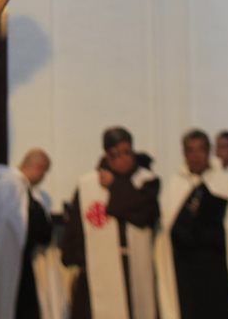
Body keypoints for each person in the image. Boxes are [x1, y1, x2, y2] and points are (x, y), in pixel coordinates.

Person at [155, 130, 228, 319]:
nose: (196, 155)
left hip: (218, 269)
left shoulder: (227, 184)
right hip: (186, 272)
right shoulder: (174, 186)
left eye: (201, 150)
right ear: (184, 153)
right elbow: (166, 231)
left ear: (209, 151)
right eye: (190, 150)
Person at [62, 127, 160, 319]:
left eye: (126, 153)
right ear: (106, 155)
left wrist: (115, 185)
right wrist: (80, 258)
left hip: (135, 268)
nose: (122, 159)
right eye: (115, 154)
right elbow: (76, 227)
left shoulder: (146, 181)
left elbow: (143, 215)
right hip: (97, 270)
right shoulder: (88, 185)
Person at [0, 149, 66, 319]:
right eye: (44, 172)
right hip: (11, 257)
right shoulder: (8, 185)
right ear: (38, 167)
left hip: (27, 259)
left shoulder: (33, 192)